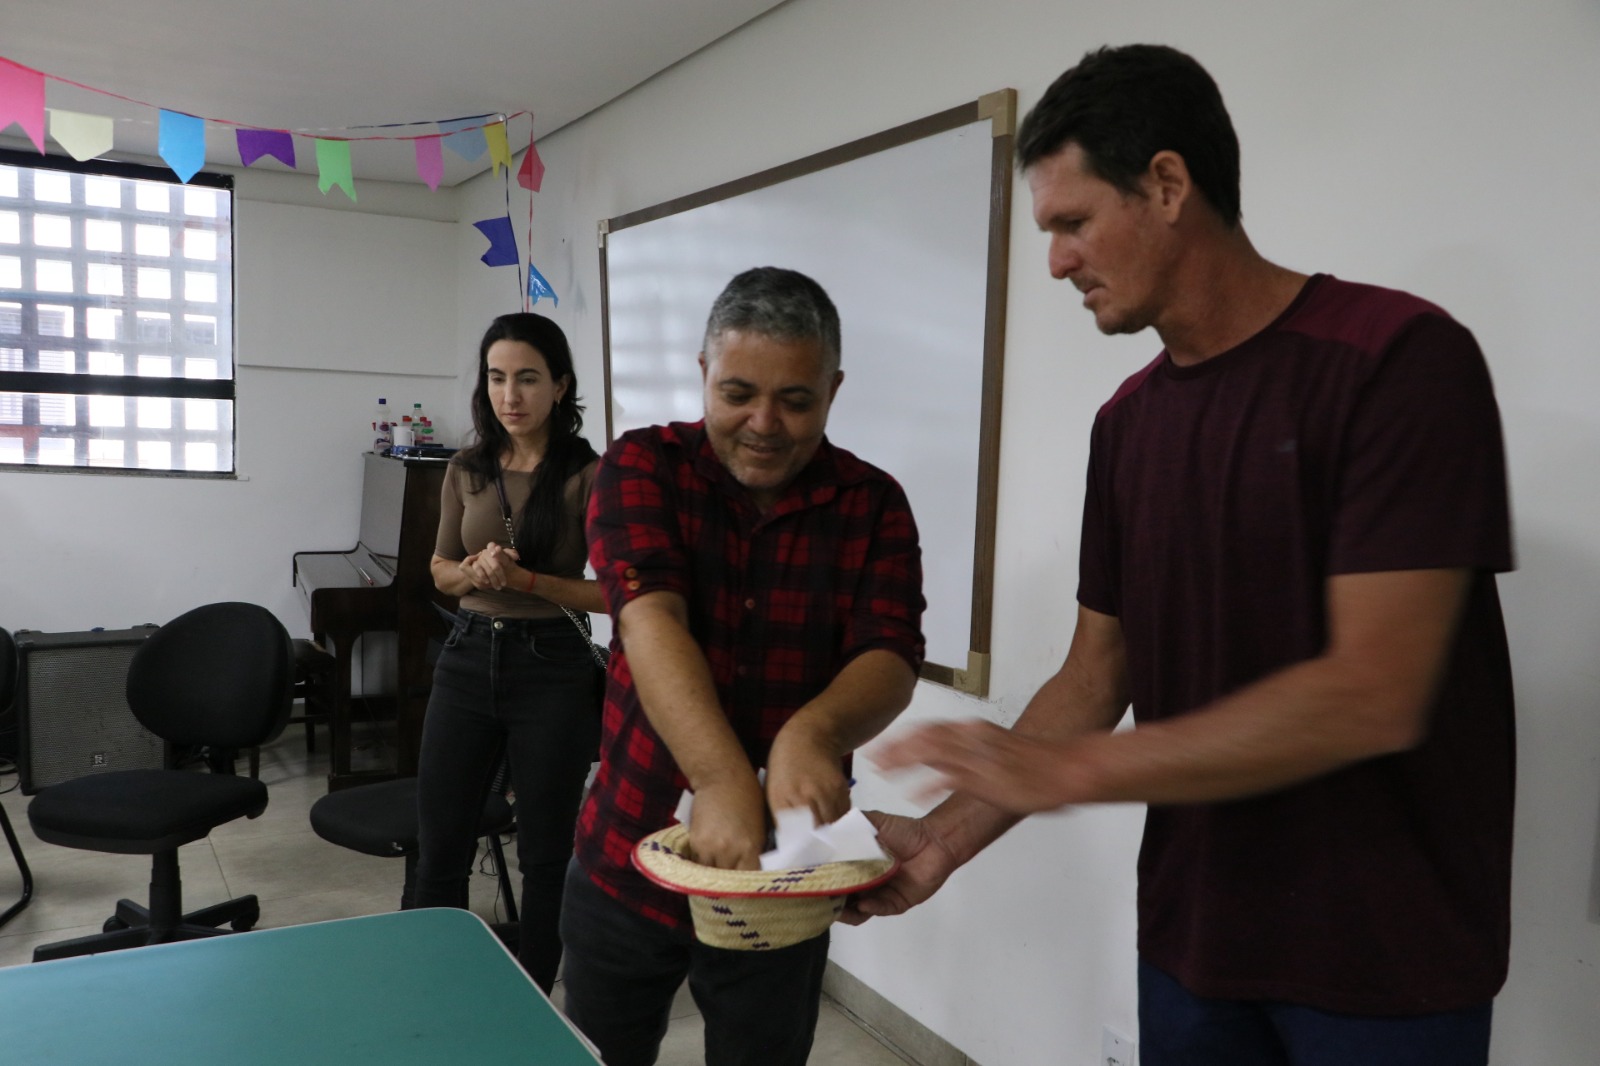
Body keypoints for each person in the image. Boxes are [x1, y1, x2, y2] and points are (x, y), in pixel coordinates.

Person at [852, 44, 1515, 1066]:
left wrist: (1067, 770)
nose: (1056, 262)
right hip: (1193, 945)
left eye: (1072, 223)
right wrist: (943, 838)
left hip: (1385, 963)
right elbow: (1094, 674)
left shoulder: (1396, 360)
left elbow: (1371, 693)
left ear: (1166, 184)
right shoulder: (1125, 426)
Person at [559, 266, 926, 1066]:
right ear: (702, 374)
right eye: (737, 394)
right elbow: (649, 616)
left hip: (784, 881)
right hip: (629, 850)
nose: (764, 423)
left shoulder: (873, 504)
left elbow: (890, 652)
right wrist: (726, 779)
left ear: (832, 389)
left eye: (796, 400)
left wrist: (811, 734)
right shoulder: (640, 467)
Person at [416, 312, 604, 994]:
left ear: (560, 385)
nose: (510, 395)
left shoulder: (590, 475)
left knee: (547, 851)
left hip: (552, 666)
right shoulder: (466, 469)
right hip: (466, 658)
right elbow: (438, 570)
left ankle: (533, 997)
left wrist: (525, 581)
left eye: (527, 378)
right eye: (497, 378)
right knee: (440, 841)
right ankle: (433, 988)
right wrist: (475, 572)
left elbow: (613, 594)